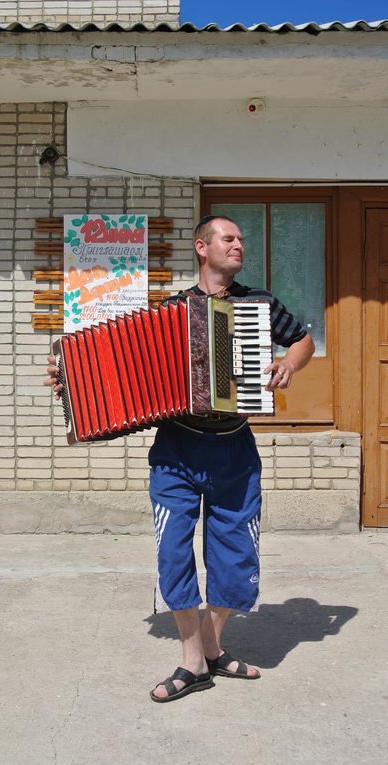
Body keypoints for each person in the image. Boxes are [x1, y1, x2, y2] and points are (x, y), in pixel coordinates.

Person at [45, 215, 315, 704]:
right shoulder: (169, 312)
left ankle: (212, 646)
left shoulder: (258, 304)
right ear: (201, 247)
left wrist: (287, 363)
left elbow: (302, 340)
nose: (238, 246)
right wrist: (75, 382)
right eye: (228, 238)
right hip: (176, 450)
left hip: (234, 447)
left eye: (241, 239)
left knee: (236, 553)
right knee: (174, 551)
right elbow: (120, 372)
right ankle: (193, 658)